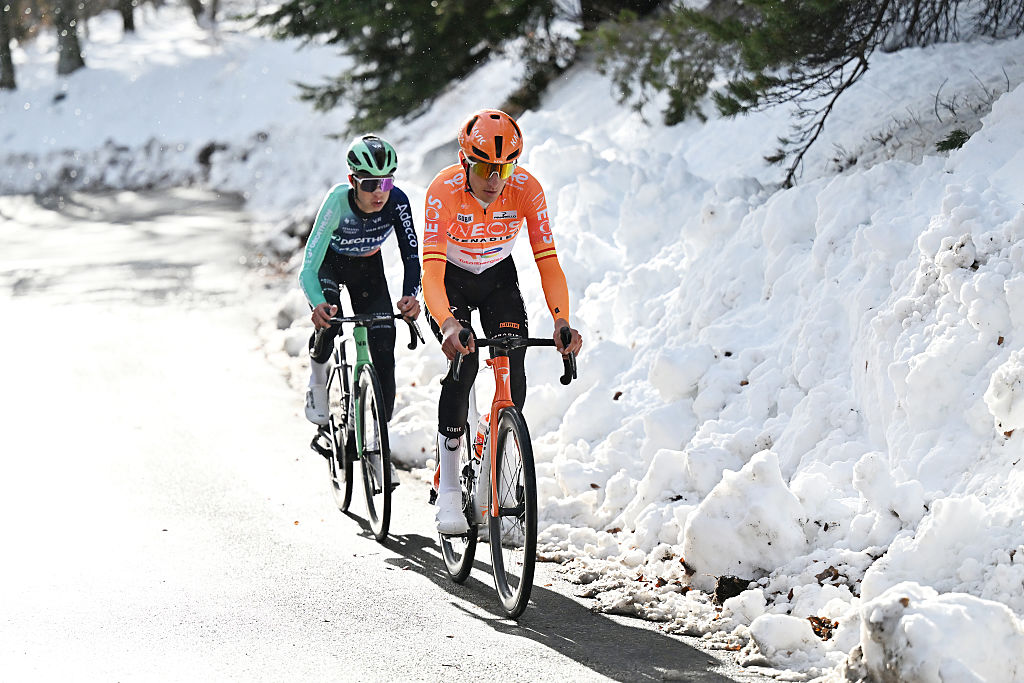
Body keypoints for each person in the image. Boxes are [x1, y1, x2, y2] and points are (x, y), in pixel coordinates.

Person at [421, 109, 583, 533]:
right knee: (466, 365)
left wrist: (562, 320)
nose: (496, 179)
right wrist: (448, 324)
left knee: (514, 367)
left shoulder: (526, 189)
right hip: (450, 280)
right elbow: (432, 273)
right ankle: (451, 488)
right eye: (486, 167)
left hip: (497, 279)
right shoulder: (443, 192)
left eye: (505, 167)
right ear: (465, 162)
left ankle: (494, 450)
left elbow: (547, 262)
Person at [298, 134, 421, 485]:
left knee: (385, 346)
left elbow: (412, 256)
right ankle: (317, 382)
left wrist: (411, 295)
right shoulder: (337, 202)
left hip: (369, 269)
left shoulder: (397, 202)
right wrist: (318, 304)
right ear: (353, 180)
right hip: (329, 266)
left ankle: (376, 444)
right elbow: (308, 265)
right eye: (369, 183)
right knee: (331, 323)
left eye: (386, 181)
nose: (378, 192)